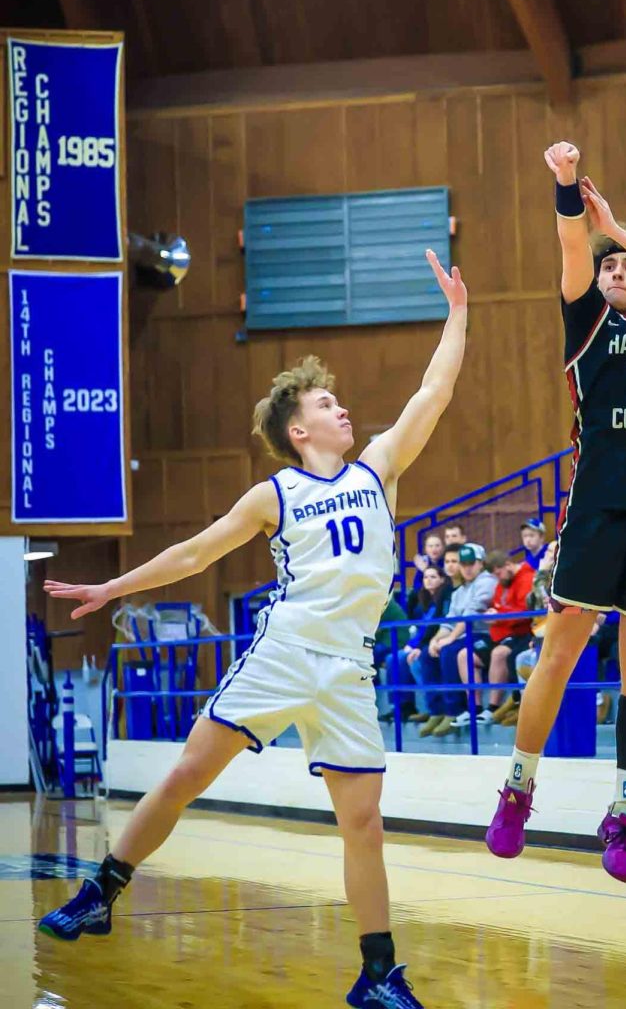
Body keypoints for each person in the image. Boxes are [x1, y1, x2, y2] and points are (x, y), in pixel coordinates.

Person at [38, 249, 467, 1009]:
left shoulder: (378, 469)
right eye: (326, 404)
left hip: (348, 667)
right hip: (284, 652)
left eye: (338, 402)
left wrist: (457, 312)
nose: (343, 409)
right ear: (299, 431)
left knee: (362, 822)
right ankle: (100, 891)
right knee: (186, 775)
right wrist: (114, 585)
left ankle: (376, 975)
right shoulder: (277, 491)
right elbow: (195, 552)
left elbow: (433, 391)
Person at [486, 140, 626, 883]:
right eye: (609, 266)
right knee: (560, 651)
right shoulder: (586, 322)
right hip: (597, 515)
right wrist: (572, 188)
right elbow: (571, 242)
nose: (615, 272)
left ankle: (625, 816)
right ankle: (517, 789)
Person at [418, 543, 496, 737]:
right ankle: (437, 710)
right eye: (464, 564)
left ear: (481, 563)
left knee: (450, 651)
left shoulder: (487, 582)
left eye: (472, 563)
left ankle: (456, 709)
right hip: (463, 635)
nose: (467, 567)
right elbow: (449, 621)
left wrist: (449, 639)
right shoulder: (459, 591)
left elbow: (470, 615)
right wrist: (436, 640)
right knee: (428, 654)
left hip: (484, 635)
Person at [393, 564, 454, 724]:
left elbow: (435, 628)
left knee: (413, 658)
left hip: (439, 640)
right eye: (425, 577)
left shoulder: (444, 598)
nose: (428, 580)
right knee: (395, 657)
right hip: (425, 641)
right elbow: (422, 629)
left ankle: (436, 708)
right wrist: (413, 644)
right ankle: (403, 706)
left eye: (433, 577)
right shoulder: (425, 601)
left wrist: (417, 647)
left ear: (442, 579)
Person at [486, 552, 535, 719]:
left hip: (528, 631)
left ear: (507, 565)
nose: (498, 578)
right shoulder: (503, 583)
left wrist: (499, 616)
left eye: (498, 574)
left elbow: (525, 611)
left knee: (513, 656)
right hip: (511, 632)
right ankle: (498, 705)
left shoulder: (527, 578)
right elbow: (499, 606)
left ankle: (520, 702)